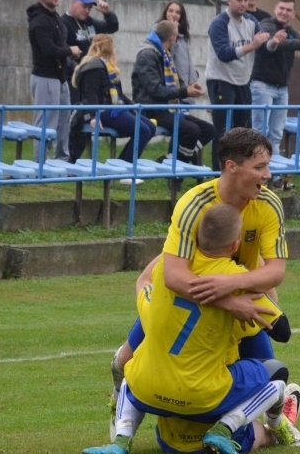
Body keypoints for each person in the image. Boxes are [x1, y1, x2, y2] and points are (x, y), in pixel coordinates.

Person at [104, 128, 288, 438]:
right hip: (188, 295)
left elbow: (275, 272)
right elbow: (174, 275)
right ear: (232, 166)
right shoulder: (194, 203)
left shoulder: (268, 204)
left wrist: (232, 287)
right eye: (260, 167)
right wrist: (227, 299)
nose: (268, 175)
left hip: (237, 293)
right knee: (126, 360)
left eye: (267, 166)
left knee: (266, 369)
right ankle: (119, 399)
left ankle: (274, 425)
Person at [83, 203, 300, 454]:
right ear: (235, 245)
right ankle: (243, 427)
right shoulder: (236, 279)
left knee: (132, 371)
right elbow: (282, 330)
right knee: (275, 378)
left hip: (155, 404)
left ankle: (122, 438)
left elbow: (143, 282)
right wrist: (247, 287)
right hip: (204, 397)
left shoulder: (168, 269)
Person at [251, 0, 300, 189]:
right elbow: (274, 46)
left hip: (282, 88)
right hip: (262, 85)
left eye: (288, 10)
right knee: (259, 133)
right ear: (275, 9)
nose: (284, 12)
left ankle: (275, 176)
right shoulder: (266, 24)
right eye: (282, 8)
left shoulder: (289, 30)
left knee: (275, 134)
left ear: (293, 14)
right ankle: (257, 175)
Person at [206, 0, 273, 170]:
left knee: (244, 131)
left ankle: (241, 171)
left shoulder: (251, 21)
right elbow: (224, 54)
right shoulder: (219, 23)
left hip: (243, 82)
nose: (243, 4)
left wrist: (273, 42)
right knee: (222, 132)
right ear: (229, 0)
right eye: (239, 0)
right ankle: (218, 174)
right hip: (221, 80)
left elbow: (265, 47)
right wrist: (252, 45)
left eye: (246, 0)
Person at [70, 34, 155, 180]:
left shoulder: (108, 67)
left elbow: (119, 95)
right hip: (102, 111)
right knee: (142, 130)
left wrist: (134, 106)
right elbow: (91, 96)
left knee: (150, 128)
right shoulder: (94, 66)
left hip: (114, 108)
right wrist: (92, 117)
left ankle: (122, 166)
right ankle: (123, 170)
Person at [132, 20, 215, 169]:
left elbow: (175, 81)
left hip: (168, 107)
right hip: (152, 108)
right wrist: (184, 92)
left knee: (209, 129)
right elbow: (155, 90)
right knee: (192, 130)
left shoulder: (164, 53)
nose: (177, 39)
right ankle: (177, 167)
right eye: (176, 36)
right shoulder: (147, 55)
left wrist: (188, 87)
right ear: (171, 37)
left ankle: (172, 159)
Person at [155, 382, 300, 454]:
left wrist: (129, 429)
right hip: (230, 438)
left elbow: (132, 369)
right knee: (274, 382)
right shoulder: (234, 326)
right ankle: (277, 421)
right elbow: (268, 369)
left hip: (171, 441)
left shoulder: (154, 322)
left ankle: (128, 434)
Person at [26, 0, 81, 162]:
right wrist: (70, 50)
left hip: (61, 77)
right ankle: (40, 163)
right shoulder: (39, 20)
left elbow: (60, 44)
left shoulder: (55, 17)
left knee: (64, 121)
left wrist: (70, 58)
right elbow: (48, 50)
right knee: (46, 122)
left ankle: (61, 161)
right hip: (45, 77)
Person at [61, 0, 119, 104]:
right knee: (76, 110)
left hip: (92, 75)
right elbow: (62, 50)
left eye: (89, 8)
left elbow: (112, 27)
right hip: (74, 78)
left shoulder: (89, 22)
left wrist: (108, 14)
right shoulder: (63, 23)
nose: (87, 11)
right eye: (84, 6)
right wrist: (75, 67)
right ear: (73, 3)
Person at [158, 0, 199, 94]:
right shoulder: (158, 31)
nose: (174, 14)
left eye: (178, 12)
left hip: (187, 88)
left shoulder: (183, 36)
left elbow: (188, 61)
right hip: (173, 89)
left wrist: (194, 78)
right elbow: (167, 54)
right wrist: (173, 34)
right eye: (171, 11)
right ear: (165, 13)